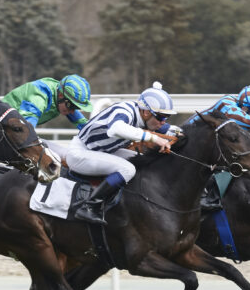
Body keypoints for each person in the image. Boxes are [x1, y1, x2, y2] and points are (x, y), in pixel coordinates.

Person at [66, 82, 178, 225]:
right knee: (128, 169)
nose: (163, 122)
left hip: (102, 150)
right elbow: (116, 129)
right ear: (146, 112)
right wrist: (153, 138)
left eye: (166, 117)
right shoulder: (125, 110)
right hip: (80, 153)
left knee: (140, 160)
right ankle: (89, 206)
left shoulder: (146, 117)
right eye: (161, 117)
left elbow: (171, 130)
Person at [3, 74, 93, 130]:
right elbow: (26, 130)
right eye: (72, 106)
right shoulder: (39, 98)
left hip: (14, 127)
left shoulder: (60, 97)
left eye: (77, 107)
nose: (73, 111)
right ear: (61, 95)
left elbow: (83, 124)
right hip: (0, 124)